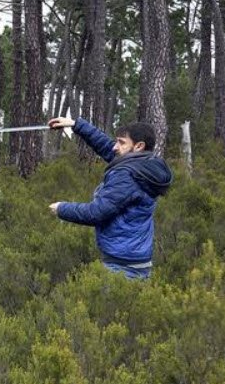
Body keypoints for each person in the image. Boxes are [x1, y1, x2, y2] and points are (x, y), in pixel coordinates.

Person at [46, 117, 173, 280]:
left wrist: (61, 208)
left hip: (121, 267)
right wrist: (76, 125)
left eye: (121, 142)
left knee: (112, 305)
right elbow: (107, 147)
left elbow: (97, 212)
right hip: (138, 259)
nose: (115, 147)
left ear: (139, 146)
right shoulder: (144, 167)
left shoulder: (127, 175)